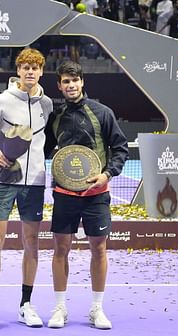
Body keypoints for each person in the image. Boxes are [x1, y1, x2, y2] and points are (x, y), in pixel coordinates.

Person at [0, 48, 53, 331]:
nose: (30, 71)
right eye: (25, 67)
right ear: (18, 71)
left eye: (35, 67)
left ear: (42, 71)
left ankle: (25, 305)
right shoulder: (1, 101)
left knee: (32, 244)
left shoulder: (47, 105)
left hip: (34, 183)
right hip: (2, 181)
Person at [44, 61, 128, 330]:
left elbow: (120, 148)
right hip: (64, 193)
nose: (71, 85)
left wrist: (107, 174)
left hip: (97, 194)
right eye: (65, 82)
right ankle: (60, 308)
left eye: (75, 80)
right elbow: (43, 150)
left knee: (99, 249)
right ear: (59, 85)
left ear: (82, 82)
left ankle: (97, 309)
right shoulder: (55, 116)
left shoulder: (102, 113)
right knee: (60, 249)